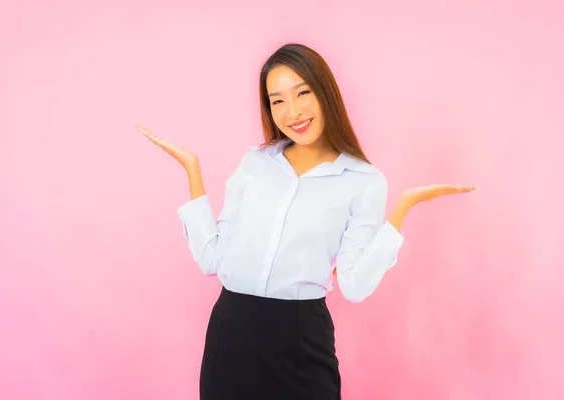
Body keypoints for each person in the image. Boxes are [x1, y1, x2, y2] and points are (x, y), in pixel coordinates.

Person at [136, 43, 475, 400]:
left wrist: (404, 206)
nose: (292, 111)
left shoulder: (363, 181)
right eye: (277, 100)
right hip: (231, 331)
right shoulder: (255, 165)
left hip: (301, 337)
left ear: (324, 92)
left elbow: (354, 286)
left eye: (302, 93)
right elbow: (212, 260)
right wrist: (193, 170)